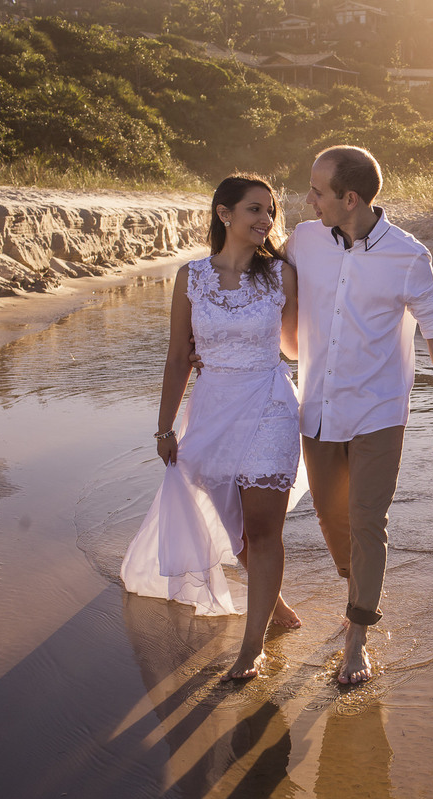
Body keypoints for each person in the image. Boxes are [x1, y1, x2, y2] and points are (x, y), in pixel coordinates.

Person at [121, 174, 305, 682]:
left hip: (269, 403)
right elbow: (179, 354)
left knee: (265, 527)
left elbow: (293, 348)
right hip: (211, 408)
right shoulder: (191, 277)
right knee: (235, 521)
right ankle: (279, 606)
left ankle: (253, 645)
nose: (266, 220)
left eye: (270, 212)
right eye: (255, 209)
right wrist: (164, 428)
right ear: (224, 213)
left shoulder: (281, 277)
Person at [290, 145, 433, 685]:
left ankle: (357, 635)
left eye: (318, 191)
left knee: (367, 519)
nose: (309, 199)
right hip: (317, 404)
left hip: (379, 410)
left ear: (350, 198)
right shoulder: (304, 240)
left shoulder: (409, 256)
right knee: (330, 516)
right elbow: (261, 282)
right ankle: (355, 588)